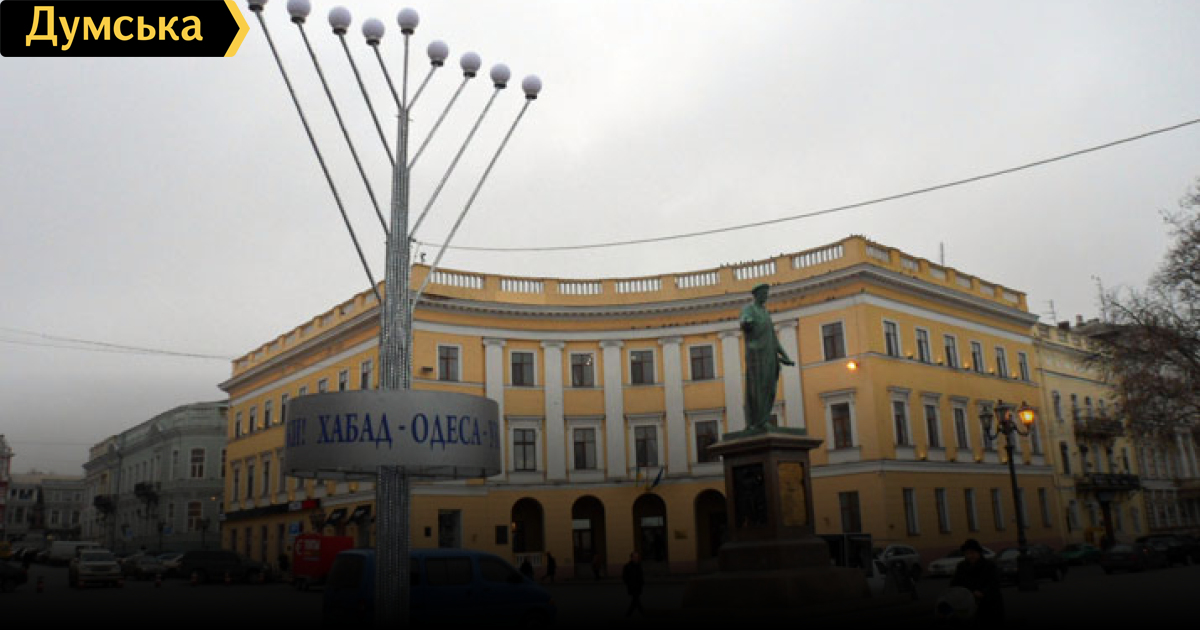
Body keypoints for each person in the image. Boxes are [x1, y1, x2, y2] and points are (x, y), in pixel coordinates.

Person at [739, 283, 796, 431]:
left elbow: (773, 338)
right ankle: (757, 422)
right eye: (763, 294)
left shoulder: (766, 313)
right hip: (756, 356)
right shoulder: (749, 309)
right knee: (757, 388)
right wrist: (746, 322)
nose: (765, 296)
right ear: (756, 295)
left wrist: (786, 356)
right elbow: (744, 320)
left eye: (766, 294)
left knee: (770, 389)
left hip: (769, 355)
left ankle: (763, 419)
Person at [949, 538, 1004, 625]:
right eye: (967, 553)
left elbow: (994, 583)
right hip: (968, 604)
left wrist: (983, 592)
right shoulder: (961, 567)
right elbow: (955, 583)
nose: (970, 556)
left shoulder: (989, 565)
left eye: (972, 553)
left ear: (978, 553)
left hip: (989, 605)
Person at [622, 551, 645, 617]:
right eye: (634, 557)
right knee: (636, 600)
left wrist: (641, 583)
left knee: (635, 601)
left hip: (638, 586)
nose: (636, 558)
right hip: (632, 586)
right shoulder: (627, 566)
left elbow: (641, 575)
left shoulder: (639, 565)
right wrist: (629, 583)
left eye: (637, 557)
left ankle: (628, 614)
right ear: (631, 558)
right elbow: (625, 576)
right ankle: (643, 613)